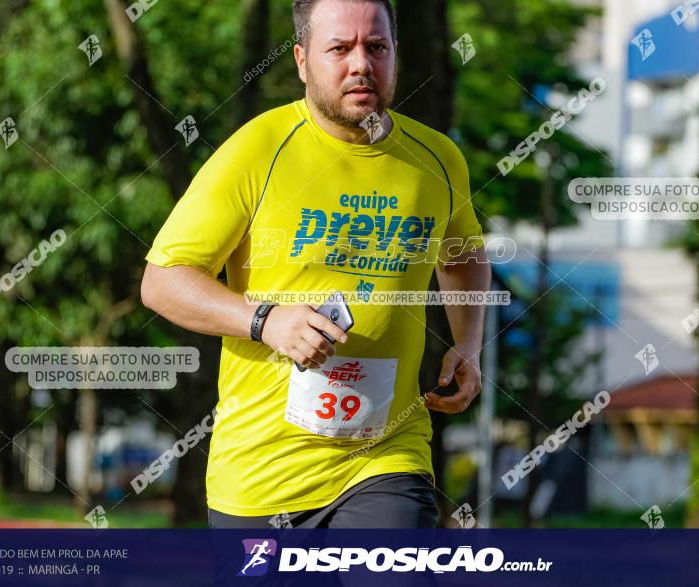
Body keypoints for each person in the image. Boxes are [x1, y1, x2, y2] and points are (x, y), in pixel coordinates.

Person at [140, 0, 491, 530]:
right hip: (261, 476)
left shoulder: (438, 158)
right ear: (302, 60)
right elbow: (163, 281)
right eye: (339, 49)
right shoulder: (257, 149)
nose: (361, 64)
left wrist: (467, 344)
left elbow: (463, 255)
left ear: (396, 55)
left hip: (387, 455)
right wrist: (266, 321)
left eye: (377, 47)